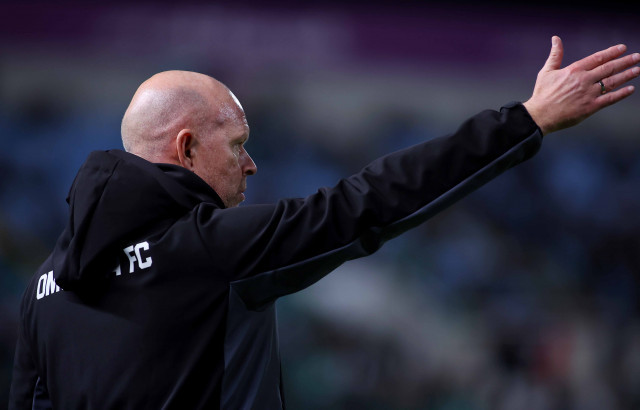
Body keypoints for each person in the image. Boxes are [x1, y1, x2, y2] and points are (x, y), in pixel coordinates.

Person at [8, 36, 640, 409]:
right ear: (187, 148)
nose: (251, 164)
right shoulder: (210, 251)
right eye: (238, 145)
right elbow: (370, 202)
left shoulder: (46, 284)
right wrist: (526, 121)